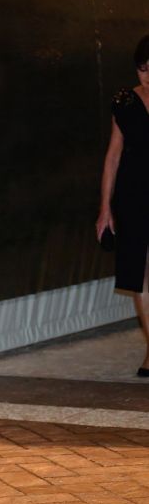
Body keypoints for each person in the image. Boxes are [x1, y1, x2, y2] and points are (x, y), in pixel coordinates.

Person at [96, 34, 149, 378]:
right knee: (141, 274)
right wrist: (105, 208)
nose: (148, 75)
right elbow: (113, 157)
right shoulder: (124, 101)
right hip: (133, 195)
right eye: (143, 68)